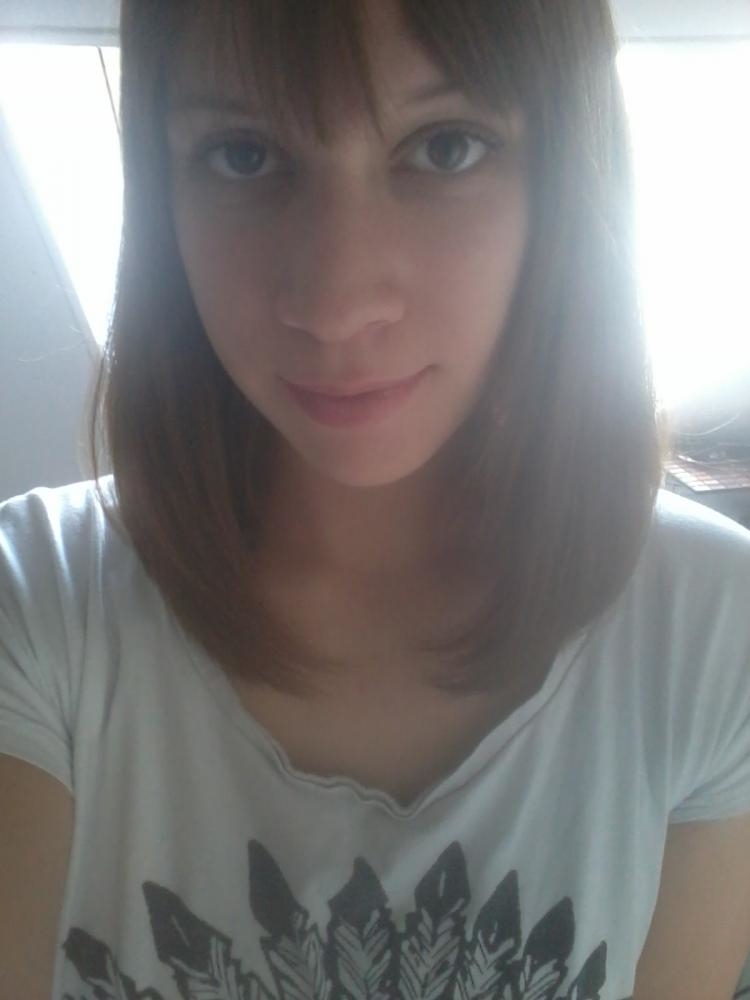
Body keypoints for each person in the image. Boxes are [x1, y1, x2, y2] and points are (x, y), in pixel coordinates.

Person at [2, 1, 750, 997]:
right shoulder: (37, 606)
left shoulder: (713, 630)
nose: (337, 303)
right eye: (243, 155)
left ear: (569, 179)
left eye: (444, 148)